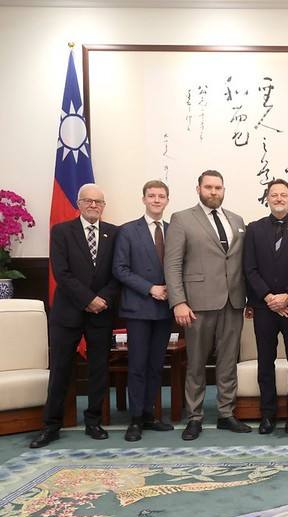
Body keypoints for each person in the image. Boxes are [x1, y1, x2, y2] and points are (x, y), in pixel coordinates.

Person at [164, 170, 251, 440]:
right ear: (198, 188)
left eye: (218, 188)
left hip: (233, 302)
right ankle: (195, 416)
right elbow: (173, 263)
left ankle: (226, 413)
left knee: (227, 362)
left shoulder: (236, 220)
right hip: (197, 304)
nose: (214, 192)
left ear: (224, 190)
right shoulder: (182, 219)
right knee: (196, 363)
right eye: (209, 187)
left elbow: (240, 262)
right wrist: (178, 301)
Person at [31, 184, 119, 448]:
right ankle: (51, 425)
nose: (93, 205)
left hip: (102, 312)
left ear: (104, 206)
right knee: (60, 369)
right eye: (88, 201)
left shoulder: (114, 234)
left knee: (98, 369)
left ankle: (93, 421)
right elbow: (61, 273)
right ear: (79, 204)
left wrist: (101, 300)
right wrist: (87, 299)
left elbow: (119, 272)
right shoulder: (61, 231)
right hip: (68, 312)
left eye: (98, 202)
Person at [243, 178, 288, 435]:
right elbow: (249, 268)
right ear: (267, 198)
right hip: (264, 308)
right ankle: (267, 414)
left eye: (283, 194)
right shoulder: (254, 229)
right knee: (266, 361)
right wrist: (269, 298)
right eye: (274, 195)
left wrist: (286, 295)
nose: (279, 199)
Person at [112, 180, 175, 442]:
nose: (157, 200)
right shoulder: (128, 231)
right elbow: (120, 269)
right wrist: (151, 288)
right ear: (144, 199)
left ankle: (149, 414)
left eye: (161, 196)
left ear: (167, 200)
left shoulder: (174, 231)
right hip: (139, 307)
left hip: (165, 310)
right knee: (137, 364)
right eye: (152, 196)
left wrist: (173, 290)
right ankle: (135, 418)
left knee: (155, 365)